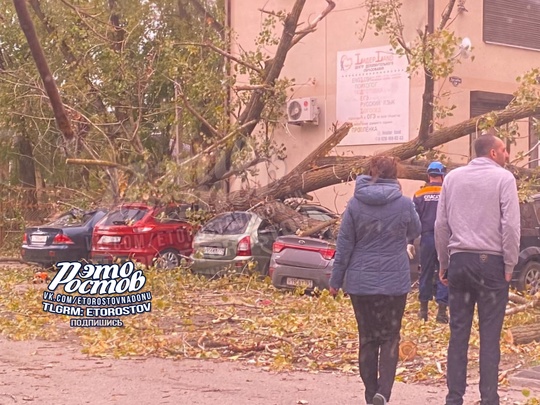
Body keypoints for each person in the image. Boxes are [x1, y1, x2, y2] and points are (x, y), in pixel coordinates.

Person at [434, 134, 520, 405]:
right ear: (493, 153)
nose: (507, 155)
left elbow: (441, 225)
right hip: (491, 263)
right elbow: (510, 226)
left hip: (460, 260)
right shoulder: (504, 179)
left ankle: (454, 397)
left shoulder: (452, 178)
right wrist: (509, 264)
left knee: (458, 332)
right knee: (490, 336)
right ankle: (489, 398)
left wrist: (444, 263)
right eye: (504, 150)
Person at [329, 155, 421, 405]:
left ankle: (370, 394)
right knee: (390, 337)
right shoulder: (404, 204)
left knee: (367, 339)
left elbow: (344, 245)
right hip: (395, 283)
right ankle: (384, 392)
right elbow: (416, 230)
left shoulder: (354, 205)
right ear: (396, 174)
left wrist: (335, 281)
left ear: (371, 172)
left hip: (361, 283)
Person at [410, 161, 449, 323]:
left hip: (426, 238)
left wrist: (410, 241)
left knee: (425, 273)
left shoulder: (419, 194)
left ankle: (423, 311)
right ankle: (441, 313)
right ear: (442, 175)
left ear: (428, 176)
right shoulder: (448, 193)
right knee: (444, 272)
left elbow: (414, 220)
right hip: (445, 238)